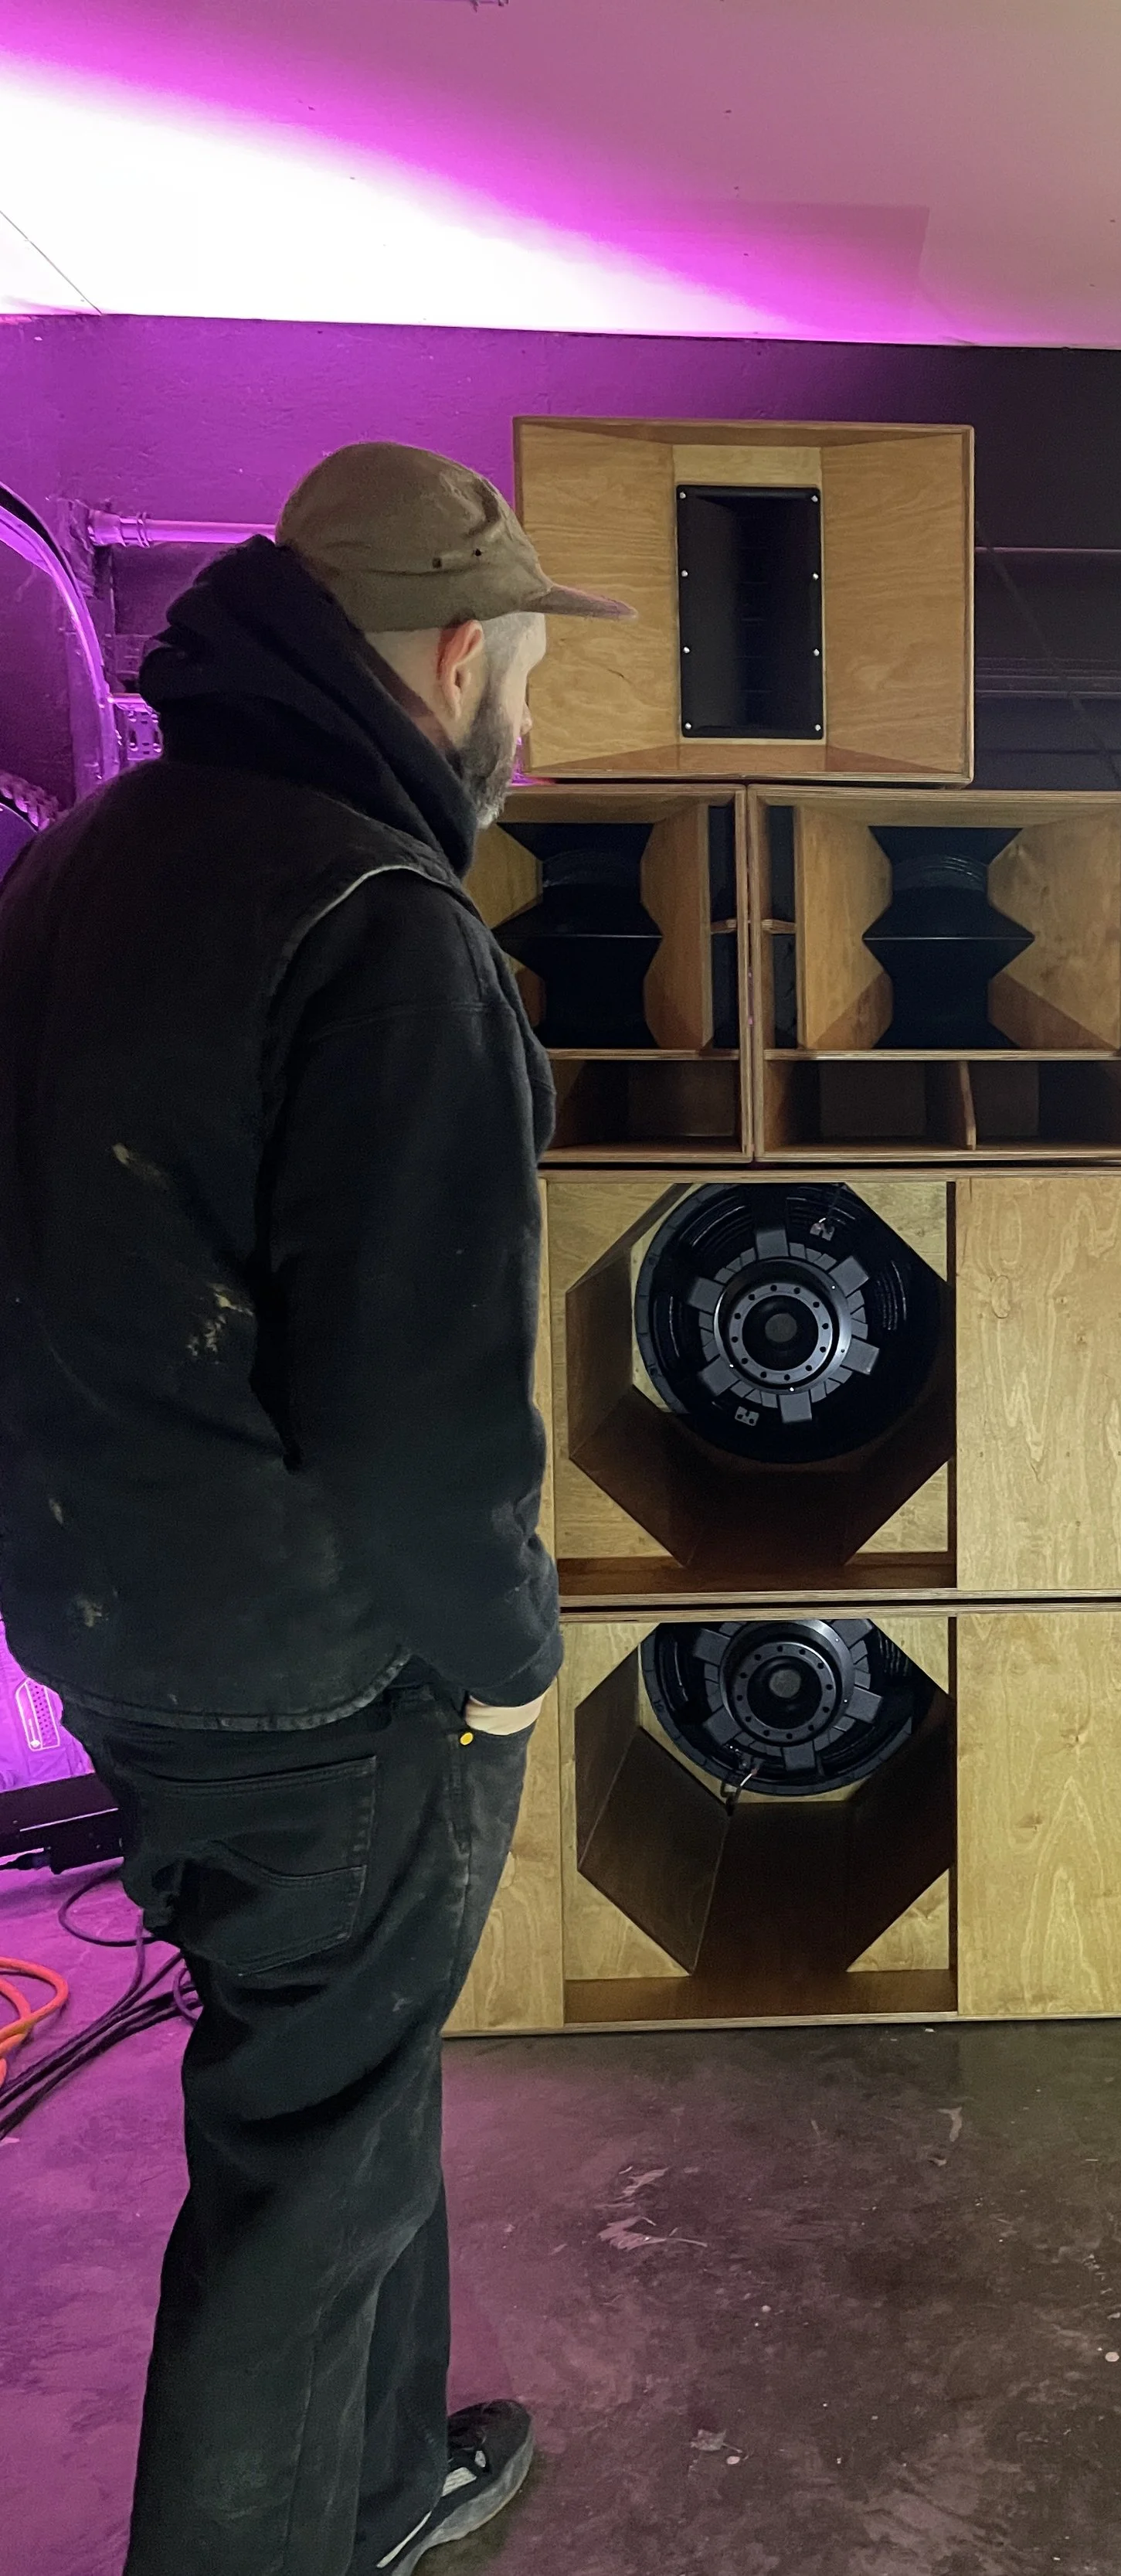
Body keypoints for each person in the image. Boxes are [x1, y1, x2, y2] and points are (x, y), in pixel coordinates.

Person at [0, 443, 633, 2576]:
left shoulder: (84, 860)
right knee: (310, 2155)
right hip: (317, 1665)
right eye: (522, 678)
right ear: (454, 658)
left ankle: (371, 2487)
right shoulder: (388, 928)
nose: (524, 734)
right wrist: (505, 1663)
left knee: (336, 2105)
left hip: (114, 1623)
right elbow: (419, 1405)